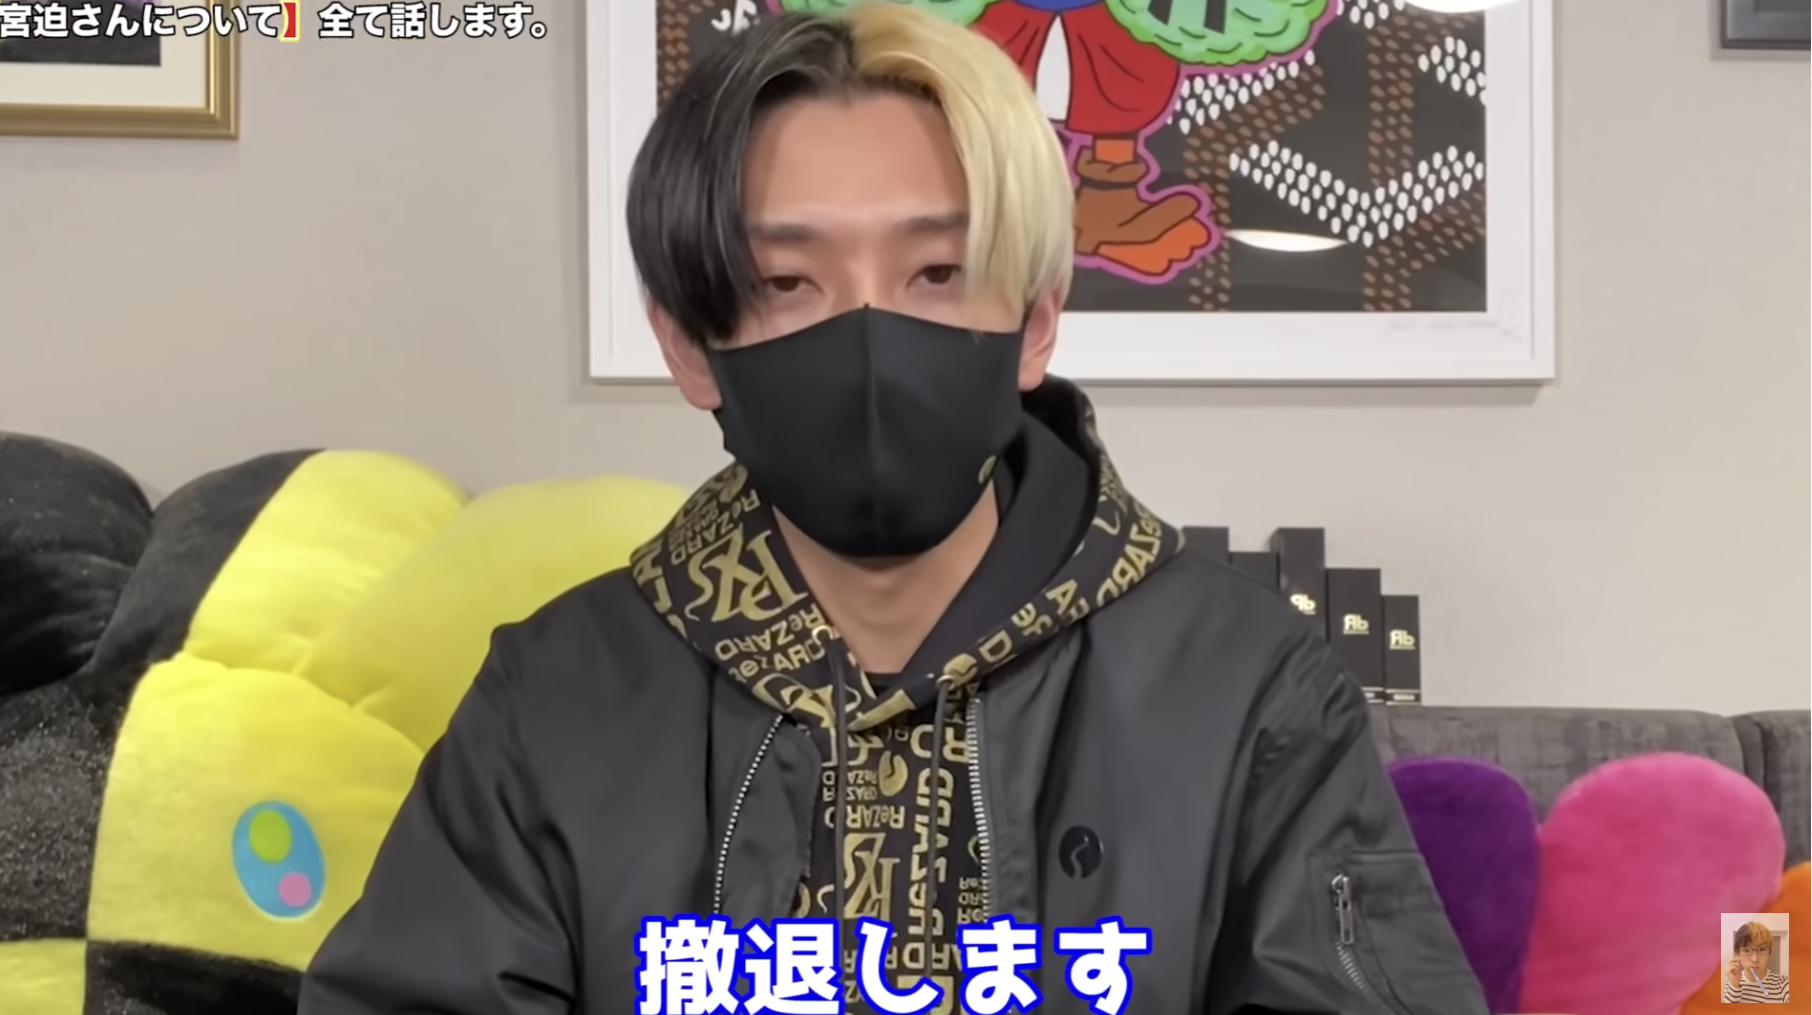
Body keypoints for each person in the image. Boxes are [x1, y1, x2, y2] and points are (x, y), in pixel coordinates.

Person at [298, 5, 1486, 1013]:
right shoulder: (552, 700)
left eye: (936, 273)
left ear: (1035, 319)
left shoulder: (1250, 688)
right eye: (787, 281)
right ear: (691, 346)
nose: (868, 337)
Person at [1725, 922, 1790, 1003]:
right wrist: (1734, 986)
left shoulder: (1783, 984)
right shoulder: (1732, 981)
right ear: (1738, 954)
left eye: (1761, 949)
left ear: (1770, 953)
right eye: (1746, 950)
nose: (1755, 959)